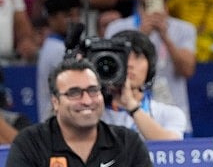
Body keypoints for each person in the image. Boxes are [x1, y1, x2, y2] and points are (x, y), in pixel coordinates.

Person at [7, 58, 154, 167]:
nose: (87, 101)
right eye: (74, 93)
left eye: (93, 91)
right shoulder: (31, 143)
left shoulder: (128, 143)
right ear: (55, 102)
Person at [105, 0, 197, 134]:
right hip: (127, 120)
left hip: (173, 118)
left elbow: (187, 70)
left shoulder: (184, 29)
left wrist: (165, 37)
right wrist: (140, 36)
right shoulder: (117, 28)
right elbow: (110, 73)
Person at [101, 29, 188, 140]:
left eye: (137, 57)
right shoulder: (91, 111)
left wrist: (131, 106)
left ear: (150, 66)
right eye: (124, 57)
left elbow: (169, 147)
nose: (130, 64)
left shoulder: (169, 114)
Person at [36, 0, 82, 122]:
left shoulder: (55, 45)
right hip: (56, 120)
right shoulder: (57, 49)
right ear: (51, 18)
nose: (74, 20)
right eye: (68, 16)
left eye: (77, 15)